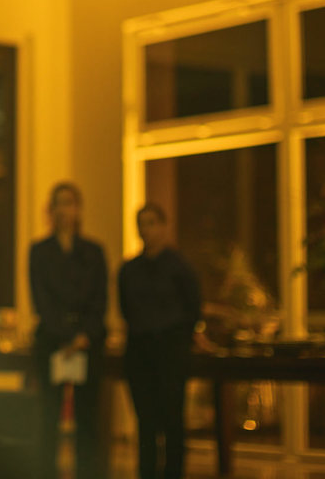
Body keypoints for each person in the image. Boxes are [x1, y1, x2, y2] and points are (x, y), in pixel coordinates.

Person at [28, 181, 108, 479]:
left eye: (70, 202)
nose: (65, 209)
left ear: (78, 209)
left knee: (88, 421)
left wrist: (84, 335)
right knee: (49, 419)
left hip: (88, 343)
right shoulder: (39, 251)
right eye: (59, 203)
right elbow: (41, 299)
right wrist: (64, 336)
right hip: (53, 342)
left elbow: (100, 299)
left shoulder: (93, 251)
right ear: (51, 210)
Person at [119, 202, 202, 479]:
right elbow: (126, 308)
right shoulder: (129, 270)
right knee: (145, 419)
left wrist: (179, 338)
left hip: (170, 350)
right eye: (143, 224)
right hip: (139, 350)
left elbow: (193, 308)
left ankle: (173, 473)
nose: (148, 230)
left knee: (172, 417)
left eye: (153, 223)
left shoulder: (180, 267)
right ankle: (146, 472)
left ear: (165, 227)